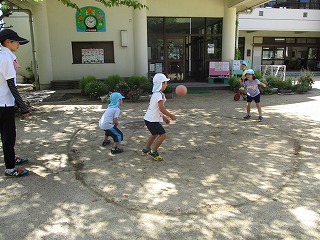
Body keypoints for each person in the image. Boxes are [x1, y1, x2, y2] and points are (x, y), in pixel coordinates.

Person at [0, 29, 31, 177]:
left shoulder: (3, 56)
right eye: (16, 41)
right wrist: (23, 107)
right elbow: (11, 85)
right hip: (4, 103)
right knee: (8, 135)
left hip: (3, 101)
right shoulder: (6, 58)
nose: (19, 44)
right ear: (7, 42)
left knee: (7, 134)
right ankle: (10, 168)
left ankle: (11, 158)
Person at [142, 73, 176, 161]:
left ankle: (146, 149)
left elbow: (157, 109)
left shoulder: (156, 94)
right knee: (163, 135)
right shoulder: (159, 95)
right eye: (165, 82)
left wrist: (164, 118)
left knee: (154, 134)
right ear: (162, 84)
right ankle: (153, 151)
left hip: (148, 119)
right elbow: (161, 108)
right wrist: (170, 115)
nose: (166, 84)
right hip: (152, 120)